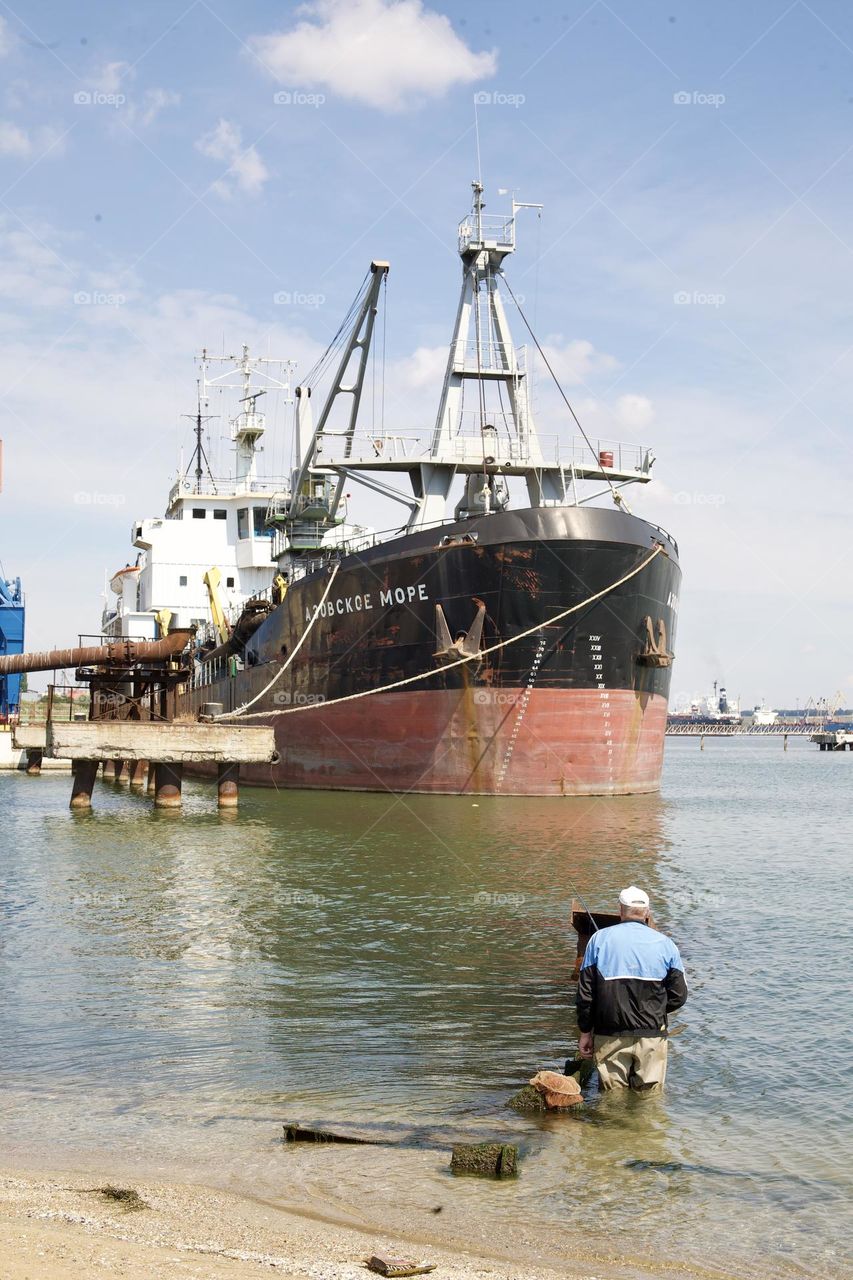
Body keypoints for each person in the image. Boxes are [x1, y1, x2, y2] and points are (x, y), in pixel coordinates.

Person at [575, 886, 687, 1092]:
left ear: (620, 910)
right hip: (652, 1033)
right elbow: (679, 996)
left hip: (609, 1033)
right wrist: (653, 1010)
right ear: (647, 912)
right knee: (650, 1099)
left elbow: (585, 995)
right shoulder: (667, 945)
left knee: (611, 1099)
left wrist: (585, 1032)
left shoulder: (598, 940)